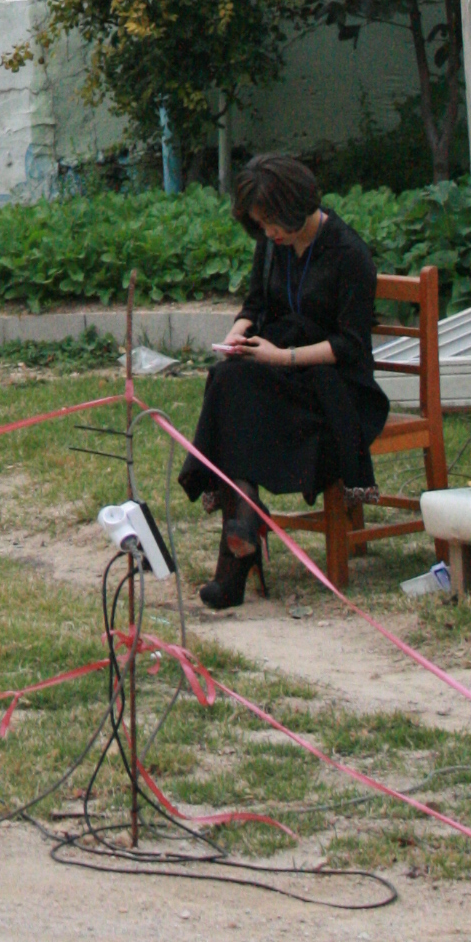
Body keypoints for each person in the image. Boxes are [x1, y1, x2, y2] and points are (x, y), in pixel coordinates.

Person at [179, 154, 389, 609]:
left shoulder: (349, 254)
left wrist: (283, 356)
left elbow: (350, 345)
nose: (269, 233)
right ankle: (244, 520)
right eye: (261, 224)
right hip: (282, 368)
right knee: (228, 376)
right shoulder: (272, 245)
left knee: (233, 392)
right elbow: (256, 304)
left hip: (335, 383)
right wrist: (238, 334)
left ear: (297, 205)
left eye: (274, 222)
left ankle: (236, 553)